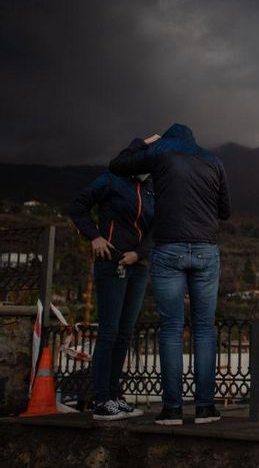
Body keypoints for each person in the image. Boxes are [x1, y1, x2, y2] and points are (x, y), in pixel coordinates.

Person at [109, 124, 231, 426]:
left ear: (167, 139)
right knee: (204, 329)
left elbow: (118, 165)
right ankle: (205, 408)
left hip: (168, 249)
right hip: (205, 249)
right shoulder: (213, 161)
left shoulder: (160, 151)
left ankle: (172, 409)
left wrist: (142, 142)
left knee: (172, 328)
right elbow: (224, 211)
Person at [69, 169, 154, 420]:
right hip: (112, 262)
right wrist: (94, 236)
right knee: (109, 331)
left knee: (125, 332)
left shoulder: (151, 189)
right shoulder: (111, 180)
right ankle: (102, 399)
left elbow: (156, 229)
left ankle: (115, 395)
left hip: (138, 266)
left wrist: (138, 254)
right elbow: (77, 206)